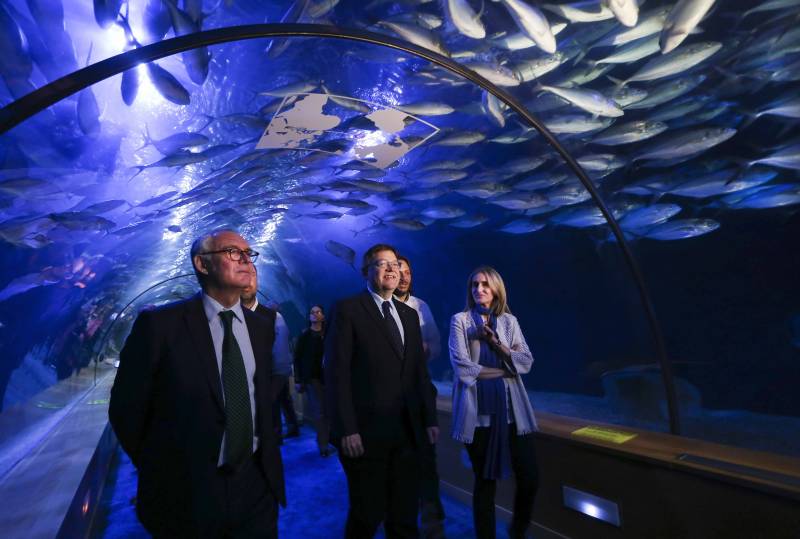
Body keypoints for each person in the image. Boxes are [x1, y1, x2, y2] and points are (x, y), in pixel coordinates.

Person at [109, 229, 285, 538]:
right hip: (188, 490)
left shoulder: (263, 326)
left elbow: (260, 397)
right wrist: (162, 467)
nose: (246, 259)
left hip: (255, 486)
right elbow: (126, 410)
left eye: (249, 253)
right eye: (233, 252)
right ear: (202, 265)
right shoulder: (159, 326)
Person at [325, 243, 439, 539]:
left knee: (404, 516)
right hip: (364, 434)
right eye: (382, 263)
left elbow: (418, 372)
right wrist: (347, 428)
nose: (392, 268)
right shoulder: (347, 309)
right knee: (367, 513)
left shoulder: (410, 315)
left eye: (395, 264)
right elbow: (337, 374)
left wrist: (429, 418)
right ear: (366, 271)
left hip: (407, 432)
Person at [448, 266, 538, 539]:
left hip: (513, 415)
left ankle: (517, 531)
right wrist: (505, 370)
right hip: (478, 418)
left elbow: (526, 363)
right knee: (485, 484)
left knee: (530, 479)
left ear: (497, 289)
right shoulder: (460, 321)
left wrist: (498, 346)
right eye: (475, 285)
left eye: (485, 284)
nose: (479, 290)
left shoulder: (509, 322)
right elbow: (463, 369)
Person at [393, 255, 445, 539]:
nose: (404, 276)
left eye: (408, 272)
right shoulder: (379, 308)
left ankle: (433, 520)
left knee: (427, 456)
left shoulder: (421, 306)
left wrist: (423, 350)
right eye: (398, 271)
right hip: (391, 395)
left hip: (420, 388)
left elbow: (435, 345)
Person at [241, 267, 300, 442]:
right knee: (284, 400)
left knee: (271, 401)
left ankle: (275, 434)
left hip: (275, 369)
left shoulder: (273, 319)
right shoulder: (280, 320)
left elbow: (276, 347)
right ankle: (291, 427)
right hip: (282, 368)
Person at [293, 304, 331, 456]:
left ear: (323, 315)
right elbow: (297, 359)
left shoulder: (329, 334)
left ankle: (329, 440)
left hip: (329, 378)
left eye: (318, 312)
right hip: (312, 379)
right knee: (320, 412)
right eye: (312, 312)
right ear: (309, 316)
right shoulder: (305, 336)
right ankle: (323, 446)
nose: (315, 314)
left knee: (329, 411)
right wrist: (297, 379)